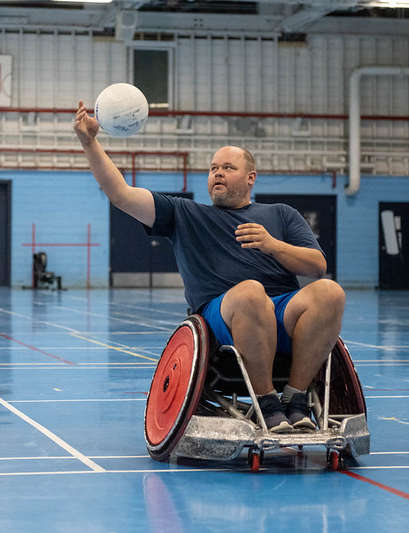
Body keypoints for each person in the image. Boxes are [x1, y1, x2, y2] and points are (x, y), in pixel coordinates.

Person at [73, 101, 345, 433]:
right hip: (224, 314)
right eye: (213, 168)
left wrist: (272, 245)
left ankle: (296, 399)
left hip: (281, 310)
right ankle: (267, 405)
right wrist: (89, 141)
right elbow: (120, 194)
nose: (217, 173)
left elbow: (317, 267)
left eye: (227, 167)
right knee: (250, 293)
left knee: (330, 292)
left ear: (250, 178)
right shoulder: (184, 214)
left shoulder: (281, 215)